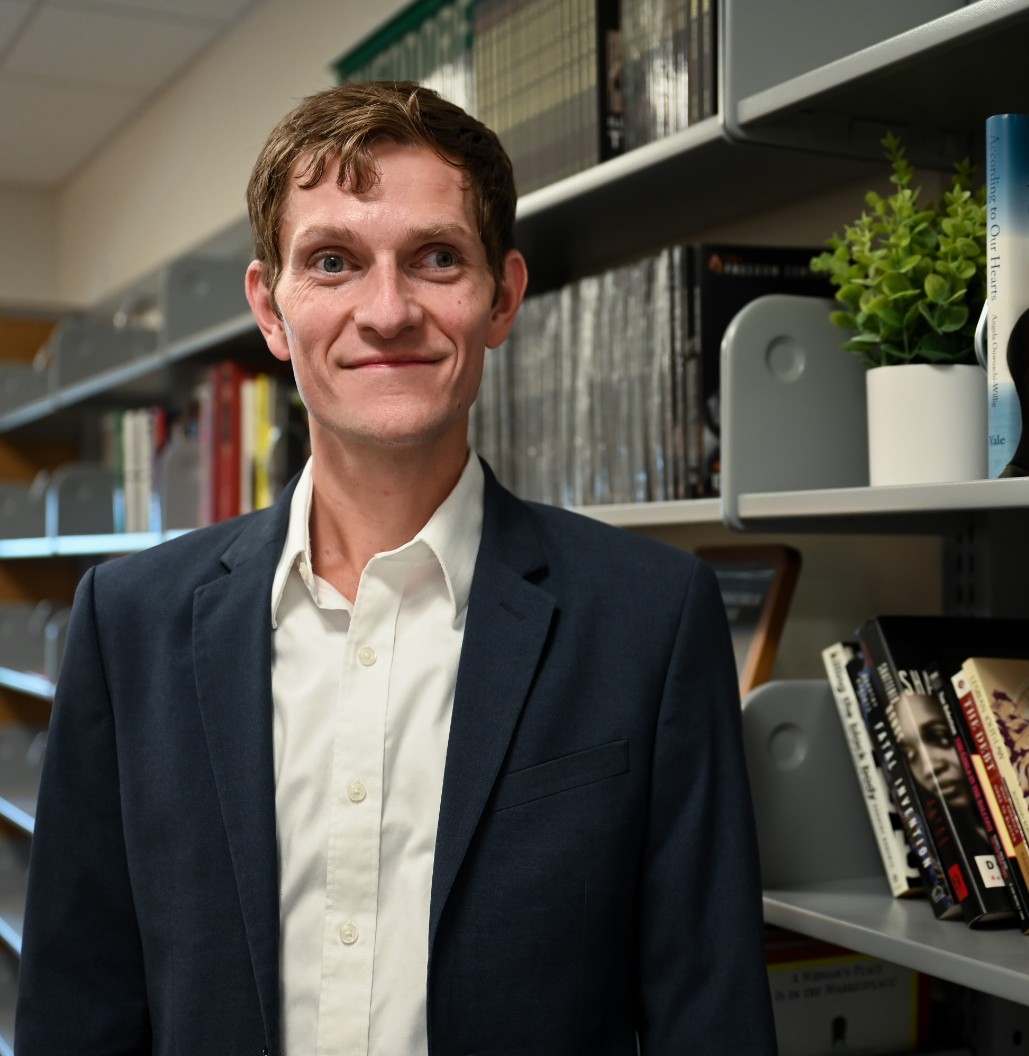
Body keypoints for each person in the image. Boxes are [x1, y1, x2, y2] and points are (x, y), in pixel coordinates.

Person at [16, 81, 777, 1056]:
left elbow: (707, 1016)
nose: (386, 311)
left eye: (435, 259)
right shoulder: (129, 623)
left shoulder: (648, 618)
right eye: (332, 261)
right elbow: (76, 1011)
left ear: (500, 296)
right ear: (270, 308)